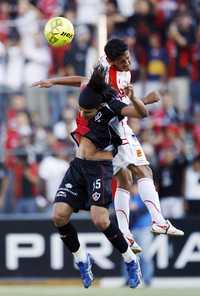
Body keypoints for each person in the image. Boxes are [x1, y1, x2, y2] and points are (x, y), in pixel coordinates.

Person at [32, 39, 184, 253]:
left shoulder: (107, 64)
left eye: (128, 57)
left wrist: (54, 81)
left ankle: (125, 234)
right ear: (112, 62)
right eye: (122, 61)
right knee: (143, 170)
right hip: (114, 128)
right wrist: (144, 100)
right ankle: (158, 220)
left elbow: (85, 80)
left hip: (109, 127)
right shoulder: (108, 80)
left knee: (124, 178)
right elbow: (126, 108)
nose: (127, 62)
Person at [52, 69, 146, 288]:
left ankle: (131, 261)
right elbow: (81, 79)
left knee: (100, 220)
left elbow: (141, 113)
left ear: (99, 106)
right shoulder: (89, 93)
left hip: (99, 168)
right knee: (58, 216)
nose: (83, 115)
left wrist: (134, 97)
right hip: (78, 165)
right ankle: (82, 259)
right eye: (81, 110)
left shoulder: (114, 107)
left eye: (88, 112)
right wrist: (52, 80)